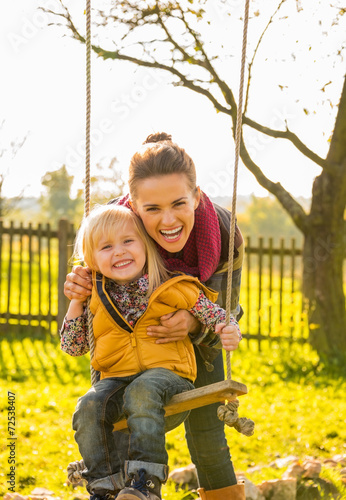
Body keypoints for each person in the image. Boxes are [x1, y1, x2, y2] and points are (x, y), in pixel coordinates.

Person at [64, 132, 245, 500]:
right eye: (152, 209)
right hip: (126, 352)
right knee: (113, 419)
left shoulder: (224, 235)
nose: (168, 221)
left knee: (207, 427)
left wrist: (195, 324)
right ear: (132, 205)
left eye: (179, 203)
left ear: (196, 196)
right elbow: (97, 302)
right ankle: (117, 491)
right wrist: (79, 288)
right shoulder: (118, 231)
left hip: (195, 334)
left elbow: (226, 310)